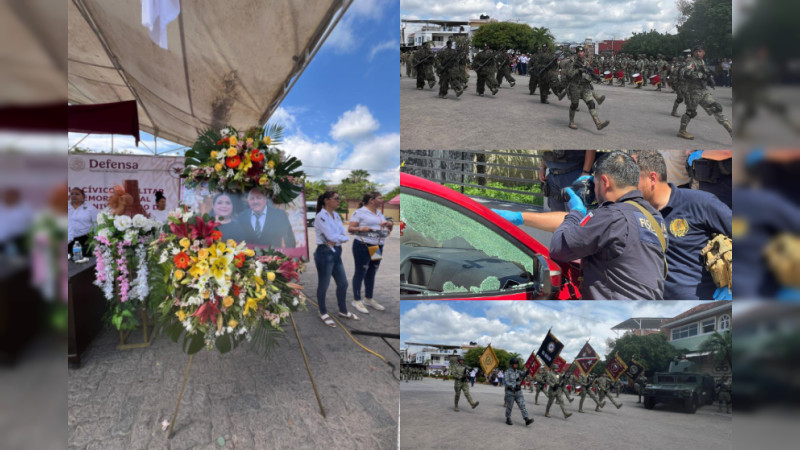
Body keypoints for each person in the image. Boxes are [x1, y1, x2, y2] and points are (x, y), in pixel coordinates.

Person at [493, 152, 668, 299]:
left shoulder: (611, 216)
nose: (594, 189)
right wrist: (521, 217)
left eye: (595, 183)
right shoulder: (654, 217)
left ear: (605, 182)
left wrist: (576, 211)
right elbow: (587, 226)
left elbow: (559, 247)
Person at [635, 151, 733, 300]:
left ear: (652, 178)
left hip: (704, 305)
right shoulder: (637, 214)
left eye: (632, 179)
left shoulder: (700, 203)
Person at [313, 191, 357, 327]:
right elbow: (332, 236)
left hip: (336, 251)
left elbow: (341, 233)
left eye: (339, 198)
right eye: (336, 198)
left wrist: (341, 238)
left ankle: (343, 311)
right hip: (324, 253)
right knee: (324, 284)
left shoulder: (336, 215)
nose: (339, 201)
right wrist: (343, 238)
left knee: (343, 283)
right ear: (326, 200)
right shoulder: (321, 216)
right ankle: (322, 311)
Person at [348, 192, 392, 314]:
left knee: (372, 272)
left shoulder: (379, 213)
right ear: (372, 200)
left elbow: (388, 230)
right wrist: (360, 228)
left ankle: (368, 298)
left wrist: (389, 225)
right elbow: (350, 229)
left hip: (377, 247)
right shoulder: (360, 212)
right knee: (361, 272)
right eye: (380, 198)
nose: (382, 200)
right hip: (363, 245)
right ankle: (356, 300)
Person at [678, 44, 733, 140]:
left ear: (704, 52)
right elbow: (686, 73)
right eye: (696, 51)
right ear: (693, 53)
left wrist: (710, 78)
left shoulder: (702, 62)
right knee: (690, 113)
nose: (698, 53)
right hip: (693, 92)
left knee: (716, 108)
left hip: (703, 91)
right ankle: (682, 131)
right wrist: (701, 75)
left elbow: (706, 72)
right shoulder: (691, 62)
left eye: (700, 51)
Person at [564, 46, 609, 131]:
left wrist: (593, 77)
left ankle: (598, 123)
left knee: (591, 103)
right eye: (578, 52)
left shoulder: (587, 62)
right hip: (575, 86)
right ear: (576, 53)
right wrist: (578, 70)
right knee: (574, 105)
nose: (580, 53)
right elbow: (568, 74)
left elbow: (590, 73)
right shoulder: (572, 62)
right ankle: (571, 122)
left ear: (584, 53)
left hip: (585, 87)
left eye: (581, 52)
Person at [68, 187, 98, 257]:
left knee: (84, 261)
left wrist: (96, 239)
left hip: (84, 240)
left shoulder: (90, 208)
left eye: (77, 194)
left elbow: (96, 224)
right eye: (72, 194)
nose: (74, 196)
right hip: (67, 240)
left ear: (83, 196)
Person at [504, 358, 533, 426]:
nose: (516, 365)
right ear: (511, 364)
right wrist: (514, 386)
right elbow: (507, 382)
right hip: (510, 392)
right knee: (509, 406)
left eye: (517, 364)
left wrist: (526, 373)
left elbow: (523, 374)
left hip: (518, 392)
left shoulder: (518, 372)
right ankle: (508, 418)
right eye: (515, 364)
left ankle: (526, 419)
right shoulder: (507, 372)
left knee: (522, 405)